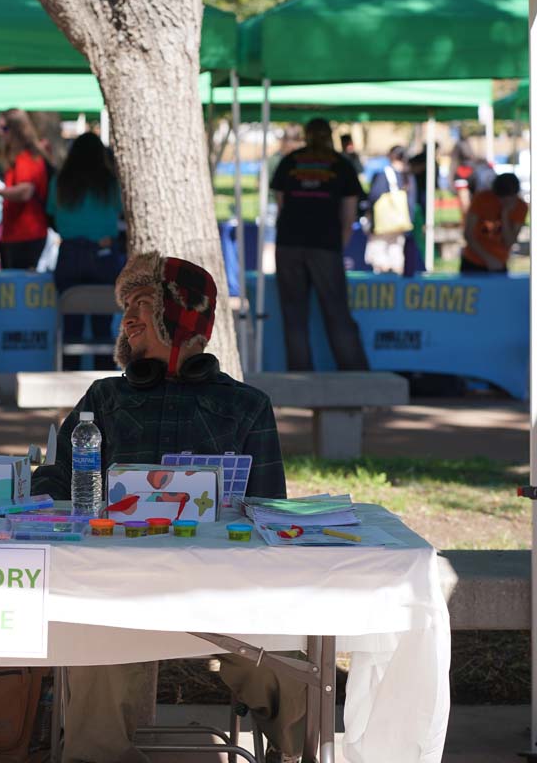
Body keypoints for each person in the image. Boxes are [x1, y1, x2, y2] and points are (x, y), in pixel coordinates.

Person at [31, 252, 301, 763]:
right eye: (125, 307)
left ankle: (304, 752)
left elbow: (270, 510)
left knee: (286, 668)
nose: (127, 319)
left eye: (143, 306)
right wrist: (9, 485)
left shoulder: (247, 404)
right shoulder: (104, 397)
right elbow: (63, 480)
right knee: (95, 659)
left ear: (179, 317)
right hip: (117, 585)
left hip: (221, 586)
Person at [270, 117, 369, 371]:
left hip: (289, 243)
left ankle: (300, 379)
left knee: (294, 317)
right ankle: (356, 379)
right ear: (329, 135)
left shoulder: (289, 162)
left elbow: (281, 206)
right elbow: (349, 217)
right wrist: (338, 245)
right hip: (325, 245)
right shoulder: (342, 165)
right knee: (337, 314)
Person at [45, 132, 126, 369]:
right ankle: (104, 376)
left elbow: (51, 215)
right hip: (103, 255)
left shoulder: (61, 181)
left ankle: (69, 370)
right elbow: (120, 212)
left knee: (71, 323)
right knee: (103, 321)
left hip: (69, 254)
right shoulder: (110, 182)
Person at [0, 108, 52, 270]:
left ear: (16, 130)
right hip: (13, 234)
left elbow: (25, 192)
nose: (0, 133)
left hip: (27, 234)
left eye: (4, 128)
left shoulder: (27, 157)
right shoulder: (17, 158)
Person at [364, 145, 418, 275]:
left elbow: (373, 196)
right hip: (401, 224)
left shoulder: (384, 175)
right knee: (397, 256)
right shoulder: (409, 177)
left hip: (383, 225)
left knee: (380, 259)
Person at [461, 172, 527, 274]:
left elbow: (509, 242)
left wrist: (505, 214)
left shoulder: (520, 207)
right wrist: (488, 259)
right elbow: (468, 234)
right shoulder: (482, 198)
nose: (505, 201)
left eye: (509, 198)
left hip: (499, 263)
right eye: (501, 198)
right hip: (473, 261)